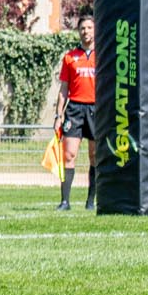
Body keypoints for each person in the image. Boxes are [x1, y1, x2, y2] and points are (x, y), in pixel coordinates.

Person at [54, 14, 100, 211]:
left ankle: (91, 201)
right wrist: (59, 114)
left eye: (89, 28)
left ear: (95, 30)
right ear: (78, 31)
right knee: (69, 154)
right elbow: (64, 88)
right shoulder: (70, 57)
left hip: (96, 109)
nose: (86, 31)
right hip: (74, 109)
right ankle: (65, 201)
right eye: (83, 28)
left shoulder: (103, 56)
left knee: (95, 156)